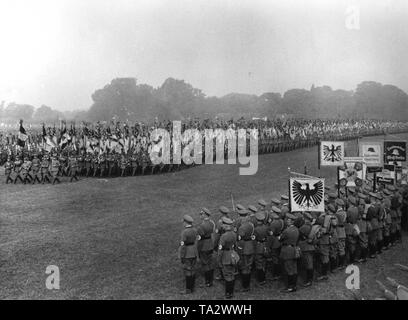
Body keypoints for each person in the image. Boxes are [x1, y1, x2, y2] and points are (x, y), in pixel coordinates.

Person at [217, 217, 237, 299]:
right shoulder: (234, 234)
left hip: (225, 256)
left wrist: (219, 260)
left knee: (227, 275)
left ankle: (228, 293)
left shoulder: (223, 236)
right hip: (232, 254)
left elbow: (220, 250)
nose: (222, 226)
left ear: (225, 226)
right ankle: (231, 292)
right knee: (231, 273)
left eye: (223, 224)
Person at [178, 215, 199, 294]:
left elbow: (183, 245)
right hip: (193, 250)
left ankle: (188, 289)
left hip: (187, 252)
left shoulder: (184, 232)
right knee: (193, 269)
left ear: (185, 222)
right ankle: (192, 287)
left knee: (188, 270)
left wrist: (182, 256)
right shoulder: (194, 229)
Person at [279, 213, 300, 292]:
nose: (287, 221)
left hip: (287, 250)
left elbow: (280, 239)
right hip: (294, 249)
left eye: (288, 220)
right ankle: (294, 286)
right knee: (294, 268)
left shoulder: (286, 231)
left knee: (289, 269)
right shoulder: (296, 229)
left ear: (290, 221)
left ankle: (290, 287)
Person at [236, 208, 255, 292]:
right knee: (248, 266)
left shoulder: (241, 227)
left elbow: (239, 238)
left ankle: (245, 286)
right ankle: (247, 284)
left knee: (244, 267)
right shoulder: (251, 225)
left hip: (244, 247)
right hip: (250, 245)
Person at [196, 208, 215, 287]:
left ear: (205, 215)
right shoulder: (212, 223)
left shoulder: (201, 226)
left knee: (205, 263)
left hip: (204, 246)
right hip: (210, 243)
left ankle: (208, 281)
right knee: (210, 261)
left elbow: (200, 239)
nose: (200, 215)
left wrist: (198, 249)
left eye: (201, 214)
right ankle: (211, 278)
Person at [298, 212, 316, 287]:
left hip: (306, 247)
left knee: (309, 264)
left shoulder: (304, 227)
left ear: (305, 218)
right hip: (311, 246)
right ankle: (309, 279)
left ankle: (309, 281)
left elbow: (298, 234)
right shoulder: (312, 226)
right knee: (309, 263)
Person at [254, 211, 268, 285]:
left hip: (259, 246)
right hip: (265, 245)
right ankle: (264, 276)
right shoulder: (266, 227)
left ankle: (261, 279)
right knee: (264, 262)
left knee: (259, 263)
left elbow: (254, 238)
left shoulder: (256, 229)